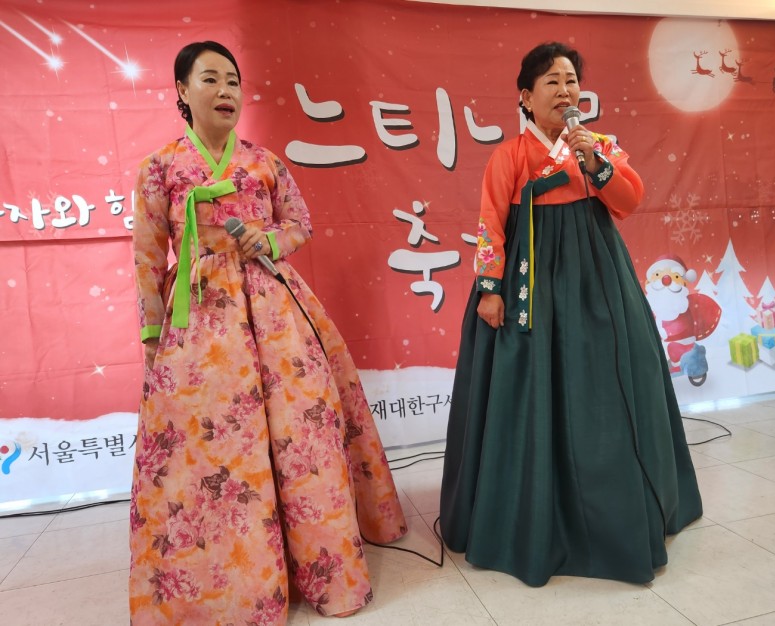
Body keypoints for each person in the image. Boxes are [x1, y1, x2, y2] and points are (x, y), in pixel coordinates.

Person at [129, 41, 407, 623]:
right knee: (215, 449)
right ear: (182, 91)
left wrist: (271, 240)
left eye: (233, 80)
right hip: (200, 320)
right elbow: (149, 254)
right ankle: (228, 583)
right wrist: (153, 334)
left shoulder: (265, 162)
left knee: (301, 435)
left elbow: (300, 223)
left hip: (274, 308)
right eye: (211, 79)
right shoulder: (159, 167)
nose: (226, 90)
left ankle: (320, 569)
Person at [439, 42, 703, 587]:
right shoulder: (509, 155)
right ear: (526, 96)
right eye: (552, 82)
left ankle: (616, 507)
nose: (565, 91)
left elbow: (628, 201)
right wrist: (489, 290)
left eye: (571, 81)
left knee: (606, 385)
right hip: (529, 283)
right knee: (528, 389)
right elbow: (490, 224)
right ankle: (530, 511)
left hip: (597, 281)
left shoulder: (598, 145)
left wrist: (595, 164)